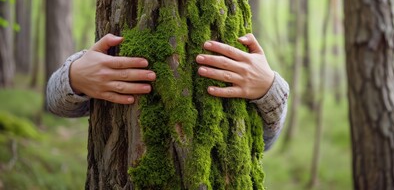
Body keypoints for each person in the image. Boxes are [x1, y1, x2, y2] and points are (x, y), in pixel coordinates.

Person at [47, 33, 289, 150]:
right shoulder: (110, 56)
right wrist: (74, 76)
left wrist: (269, 87)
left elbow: (266, 141)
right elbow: (56, 103)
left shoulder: (244, 60)